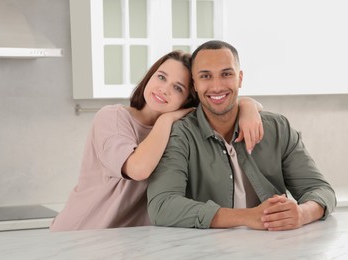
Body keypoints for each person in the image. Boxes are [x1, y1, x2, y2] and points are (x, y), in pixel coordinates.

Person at [50, 50, 263, 231]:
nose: (164, 89)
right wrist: (167, 119)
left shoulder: (182, 132)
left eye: (178, 88)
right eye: (161, 77)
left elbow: (222, 107)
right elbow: (138, 169)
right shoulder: (113, 117)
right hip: (80, 235)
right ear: (150, 76)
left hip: (126, 243)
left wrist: (248, 106)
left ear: (188, 98)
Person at [147, 40, 336, 231]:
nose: (217, 86)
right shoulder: (181, 135)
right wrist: (247, 217)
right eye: (206, 76)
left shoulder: (278, 128)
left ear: (240, 78)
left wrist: (303, 213)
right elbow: (162, 206)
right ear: (195, 85)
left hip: (274, 247)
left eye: (226, 74)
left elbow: (321, 190)